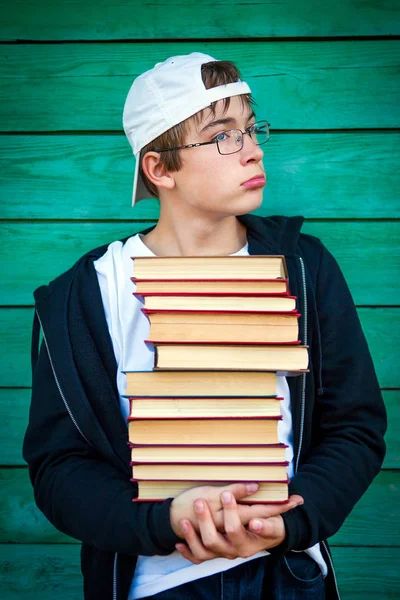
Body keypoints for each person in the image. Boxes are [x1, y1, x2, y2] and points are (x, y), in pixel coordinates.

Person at [23, 52, 387, 600]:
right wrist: (165, 521)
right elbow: (59, 467)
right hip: (153, 582)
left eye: (251, 128)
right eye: (223, 136)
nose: (254, 149)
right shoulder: (87, 295)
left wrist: (288, 523)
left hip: (288, 574)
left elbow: (355, 427)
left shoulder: (304, 270)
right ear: (160, 169)